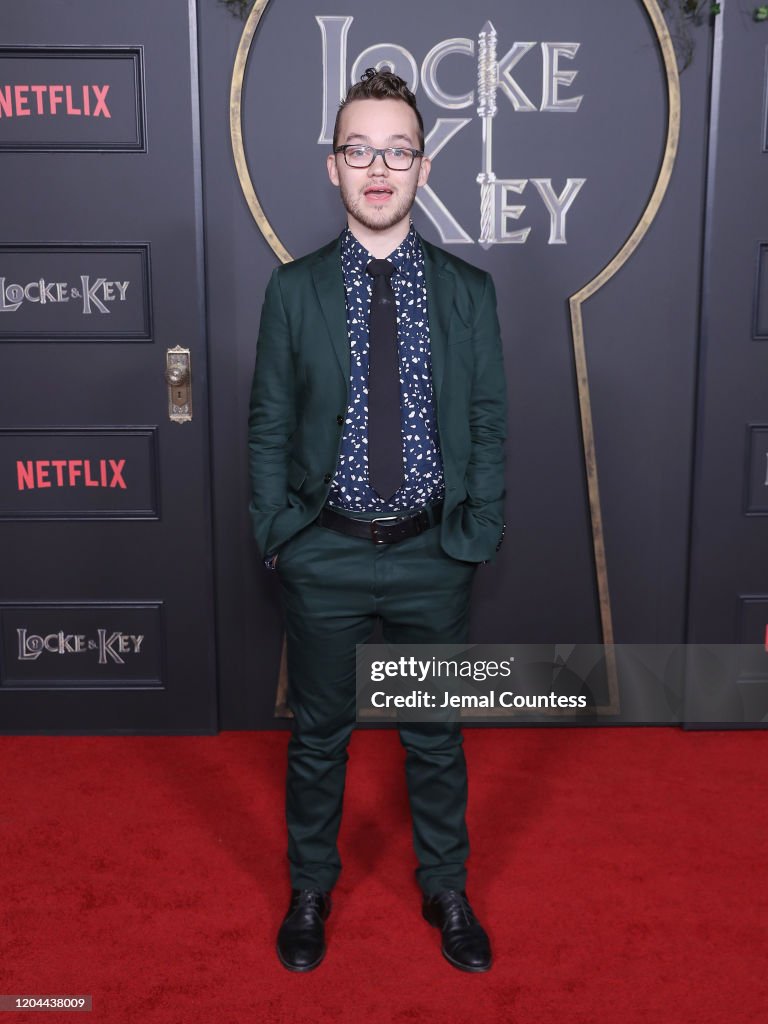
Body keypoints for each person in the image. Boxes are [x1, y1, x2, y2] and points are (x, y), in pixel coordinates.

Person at [248, 68, 507, 973]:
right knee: (320, 736)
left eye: (398, 151)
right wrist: (279, 533)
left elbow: (486, 419)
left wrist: (475, 532)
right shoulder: (295, 289)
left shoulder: (468, 290)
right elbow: (270, 422)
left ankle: (446, 887)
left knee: (433, 734)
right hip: (326, 550)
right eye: (360, 150)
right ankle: (310, 888)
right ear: (335, 167)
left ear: (424, 169)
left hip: (435, 550)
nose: (379, 168)